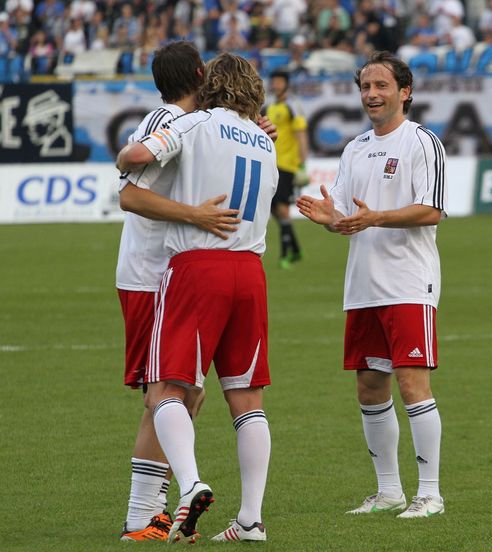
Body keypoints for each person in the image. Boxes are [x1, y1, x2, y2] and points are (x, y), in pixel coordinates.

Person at [116, 40, 277, 542]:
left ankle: (177, 496)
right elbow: (130, 192)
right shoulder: (259, 138)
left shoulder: (191, 124)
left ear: (214, 81)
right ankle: (227, 517)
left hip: (190, 268)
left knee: (169, 390)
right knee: (229, 397)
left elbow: (131, 161)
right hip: (230, 270)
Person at [296, 50, 447, 519]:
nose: (371, 95)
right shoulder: (355, 147)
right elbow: (345, 215)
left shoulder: (422, 143)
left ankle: (430, 494)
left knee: (411, 383)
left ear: (405, 92)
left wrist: (375, 217)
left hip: (407, 282)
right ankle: (389, 492)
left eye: (381, 86)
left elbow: (433, 208)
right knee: (369, 386)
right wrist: (329, 220)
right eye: (365, 87)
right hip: (362, 284)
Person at [265, 69, 308, 269]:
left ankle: (285, 255)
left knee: (282, 208)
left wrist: (302, 164)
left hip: (287, 164)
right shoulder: (271, 106)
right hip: (271, 163)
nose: (276, 84)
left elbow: (301, 134)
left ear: (286, 83)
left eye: (279, 81)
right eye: (274, 81)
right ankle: (296, 249)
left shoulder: (293, 105)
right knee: (274, 209)